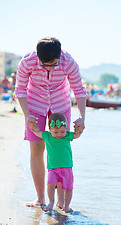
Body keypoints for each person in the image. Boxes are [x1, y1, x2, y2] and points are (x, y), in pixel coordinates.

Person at [15, 37, 86, 207]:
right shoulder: (27, 62)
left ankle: (61, 202)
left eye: (53, 64)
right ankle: (40, 198)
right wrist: (27, 115)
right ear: (38, 57)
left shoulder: (68, 62)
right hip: (34, 104)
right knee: (36, 147)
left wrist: (82, 116)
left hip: (60, 104)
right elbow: (20, 90)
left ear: (59, 56)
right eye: (45, 64)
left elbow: (79, 90)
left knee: (60, 148)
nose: (49, 67)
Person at [31, 112, 81, 213]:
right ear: (50, 130)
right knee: (50, 185)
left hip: (67, 168)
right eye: (56, 132)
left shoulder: (67, 136)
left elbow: (76, 135)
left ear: (66, 129)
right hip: (53, 169)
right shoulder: (47, 136)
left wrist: (78, 129)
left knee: (68, 188)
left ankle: (66, 206)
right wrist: (33, 126)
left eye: (62, 132)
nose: (59, 135)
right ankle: (51, 202)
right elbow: (37, 132)